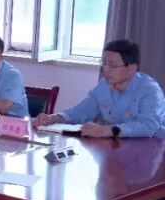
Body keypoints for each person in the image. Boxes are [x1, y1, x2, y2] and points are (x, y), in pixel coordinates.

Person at [35, 39, 165, 137]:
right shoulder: (104, 85)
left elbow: (147, 126)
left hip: (153, 149)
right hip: (116, 147)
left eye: (112, 65)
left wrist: (105, 131)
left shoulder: (150, 90)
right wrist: (53, 118)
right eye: (104, 63)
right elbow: (81, 111)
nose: (105, 69)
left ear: (131, 68)